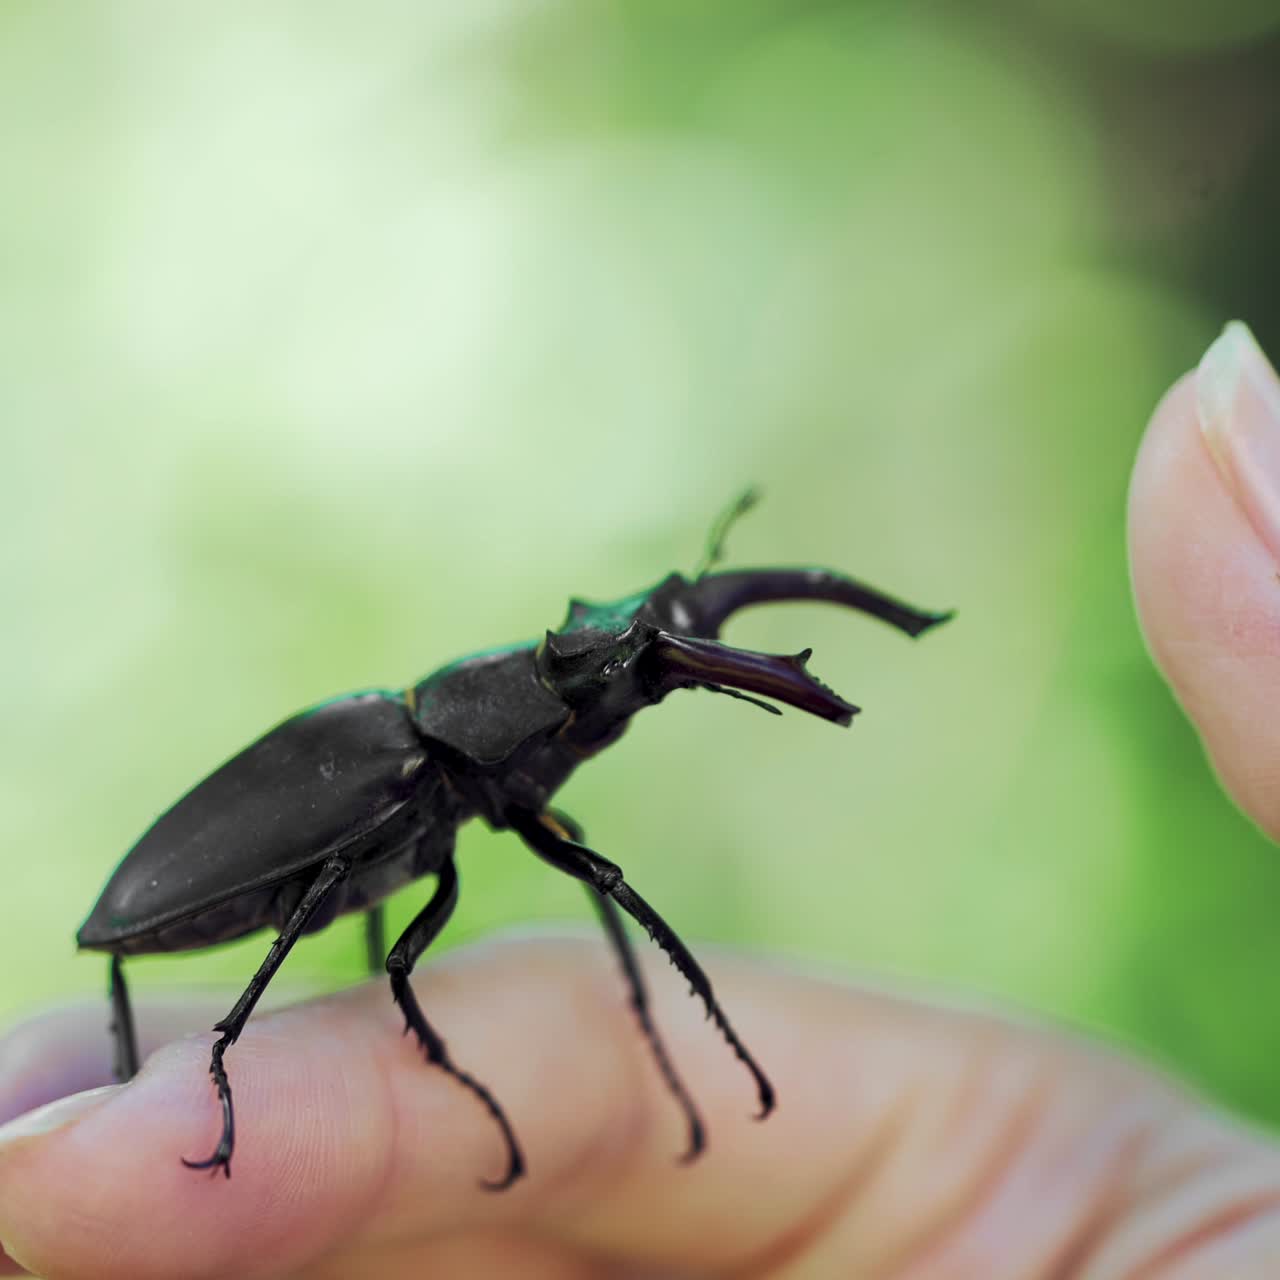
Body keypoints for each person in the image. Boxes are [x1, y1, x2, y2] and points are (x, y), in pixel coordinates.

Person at [2, 323, 1278, 1279]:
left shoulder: (452, 764)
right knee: (425, 932)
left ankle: (652, 1029)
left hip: (238, 892)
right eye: (607, 690)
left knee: (528, 901)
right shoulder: (403, 761)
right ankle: (223, 1048)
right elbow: (331, 917)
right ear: (529, 716)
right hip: (197, 894)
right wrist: (227, 1049)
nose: (616, 701)